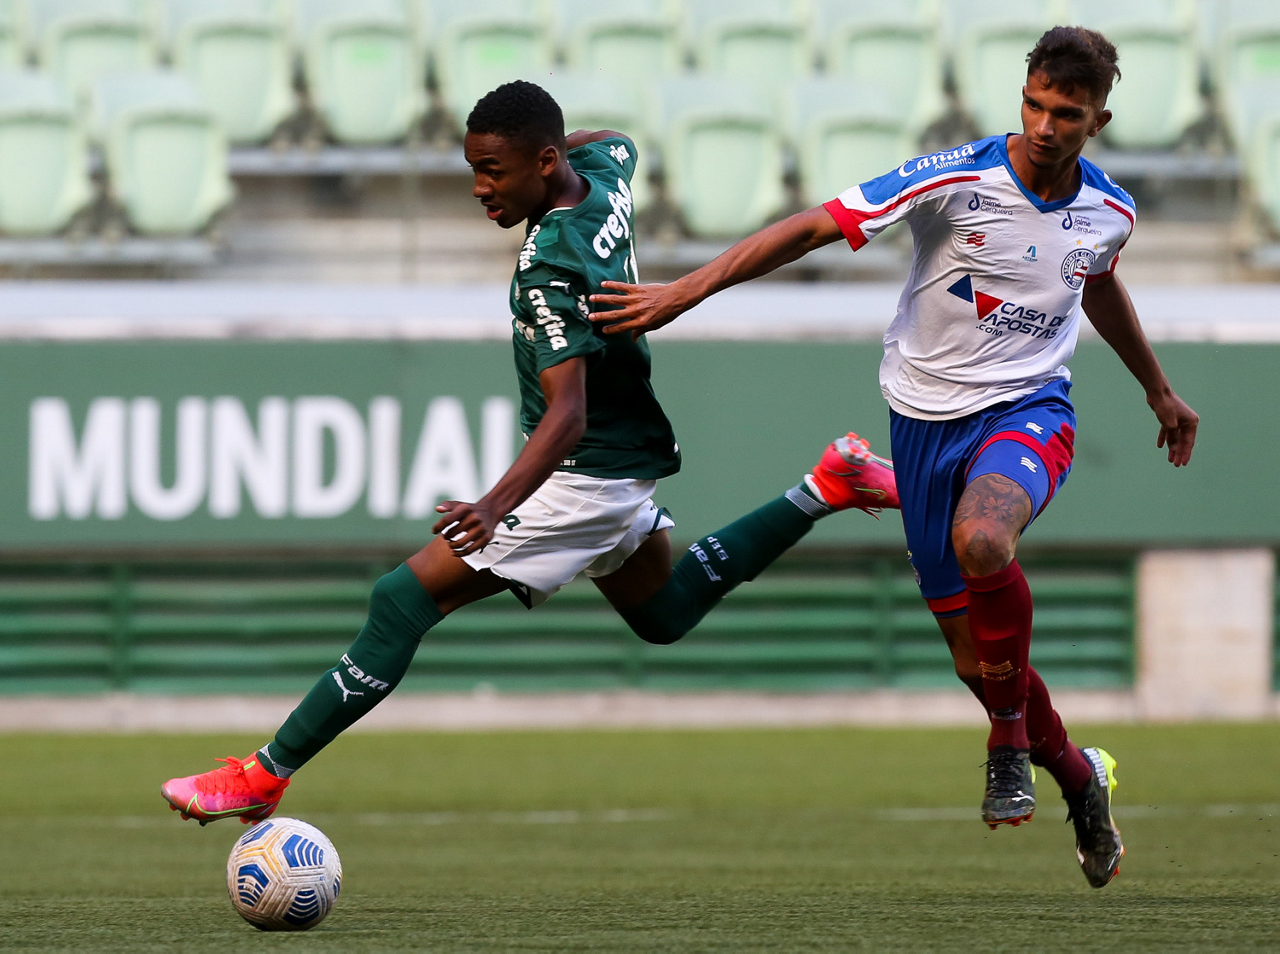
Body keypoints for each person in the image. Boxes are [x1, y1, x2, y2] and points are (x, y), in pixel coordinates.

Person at [161, 81, 896, 827]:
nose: (480, 188)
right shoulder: (604, 177)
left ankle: (264, 775)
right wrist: (542, 148)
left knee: (402, 600)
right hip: (625, 452)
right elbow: (615, 140)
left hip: (586, 473)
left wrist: (493, 505)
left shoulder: (548, 267)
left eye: (493, 171)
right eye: (474, 169)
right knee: (663, 613)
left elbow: (566, 415)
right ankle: (829, 484)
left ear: (544, 163)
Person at [587, 28, 1199, 888]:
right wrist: (685, 290)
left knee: (983, 540)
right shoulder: (955, 177)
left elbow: (1094, 279)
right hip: (922, 421)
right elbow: (814, 225)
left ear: (1098, 120)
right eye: (1034, 104)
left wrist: (1158, 390)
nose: (1045, 126)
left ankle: (1006, 747)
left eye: (1066, 113)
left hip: (1028, 408)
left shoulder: (1111, 210)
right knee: (977, 665)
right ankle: (1080, 778)